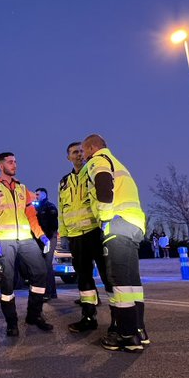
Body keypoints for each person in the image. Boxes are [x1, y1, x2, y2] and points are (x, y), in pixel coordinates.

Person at [82, 133, 149, 352]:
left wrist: (105, 217)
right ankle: (139, 331)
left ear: (92, 148)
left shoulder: (98, 161)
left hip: (117, 224)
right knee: (132, 282)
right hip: (135, 224)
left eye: (84, 151)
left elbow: (103, 183)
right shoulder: (118, 162)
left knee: (119, 283)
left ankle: (126, 336)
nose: (83, 156)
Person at [0, 153, 53, 337]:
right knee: (8, 281)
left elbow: (31, 216)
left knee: (41, 272)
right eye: (10, 162)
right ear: (0, 166)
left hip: (26, 240)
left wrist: (42, 236)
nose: (15, 165)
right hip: (3, 240)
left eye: (15, 162)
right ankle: (12, 323)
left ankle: (34, 315)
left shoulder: (23, 189)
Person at [57, 140, 113, 335]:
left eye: (81, 151)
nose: (79, 154)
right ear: (68, 157)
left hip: (95, 232)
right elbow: (62, 213)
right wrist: (63, 235)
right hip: (75, 237)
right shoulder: (63, 182)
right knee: (84, 279)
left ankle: (118, 318)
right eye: (74, 152)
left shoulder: (94, 171)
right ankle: (88, 317)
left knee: (108, 276)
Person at [35, 187, 59, 300]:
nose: (36, 196)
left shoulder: (50, 207)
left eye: (38, 194)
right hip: (43, 239)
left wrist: (47, 238)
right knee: (45, 265)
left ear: (44, 194)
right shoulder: (38, 208)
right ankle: (52, 292)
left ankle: (48, 293)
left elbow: (53, 224)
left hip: (49, 238)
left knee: (47, 265)